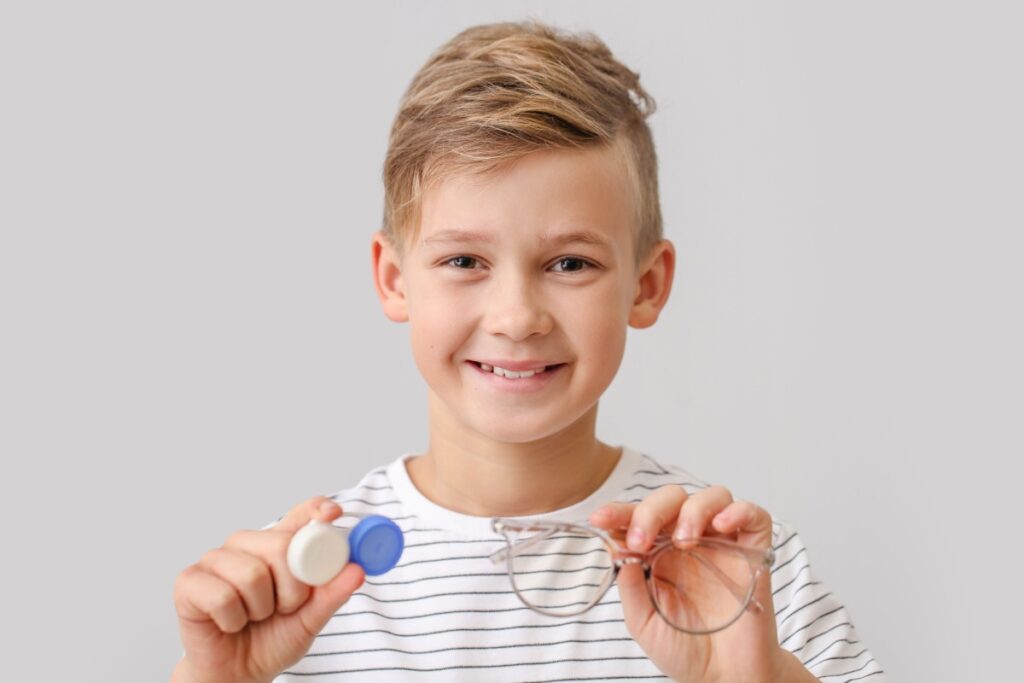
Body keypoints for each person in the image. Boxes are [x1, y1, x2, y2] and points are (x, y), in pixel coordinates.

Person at [171, 20, 885, 683]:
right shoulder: (286, 588)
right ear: (394, 279)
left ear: (646, 285)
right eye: (464, 262)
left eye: (570, 263)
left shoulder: (739, 572)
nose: (516, 317)